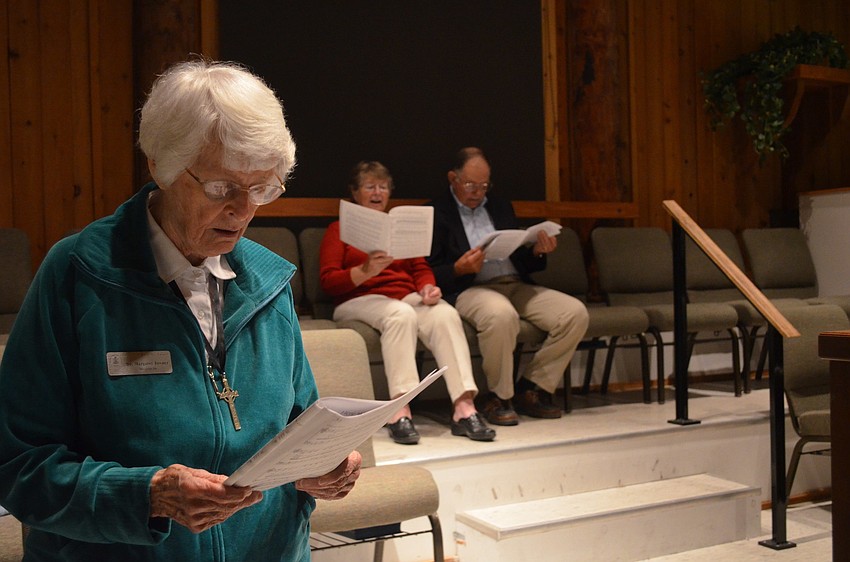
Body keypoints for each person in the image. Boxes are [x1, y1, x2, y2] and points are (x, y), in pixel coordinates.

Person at [0, 60, 361, 561]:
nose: (244, 210)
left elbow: (301, 423)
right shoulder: (79, 275)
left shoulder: (268, 281)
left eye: (263, 188)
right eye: (222, 187)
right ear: (162, 166)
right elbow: (19, 466)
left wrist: (324, 466)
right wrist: (147, 495)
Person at [319, 161, 496, 445]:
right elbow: (328, 282)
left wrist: (428, 287)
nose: (378, 192)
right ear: (355, 193)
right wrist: (364, 271)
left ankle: (464, 407)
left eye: (383, 187)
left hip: (404, 296)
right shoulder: (337, 229)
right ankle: (399, 409)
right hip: (357, 300)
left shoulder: (397, 228)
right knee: (400, 314)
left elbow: (419, 268)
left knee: (444, 314)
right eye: (370, 186)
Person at [428, 147, 589, 426]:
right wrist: (458, 268)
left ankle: (532, 388)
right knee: (500, 314)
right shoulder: (436, 212)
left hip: (515, 283)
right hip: (471, 288)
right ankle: (498, 396)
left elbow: (519, 258)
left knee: (574, 313)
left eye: (484, 185)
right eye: (470, 184)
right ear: (452, 178)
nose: (477, 192)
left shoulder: (500, 206)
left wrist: (537, 251)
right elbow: (430, 270)